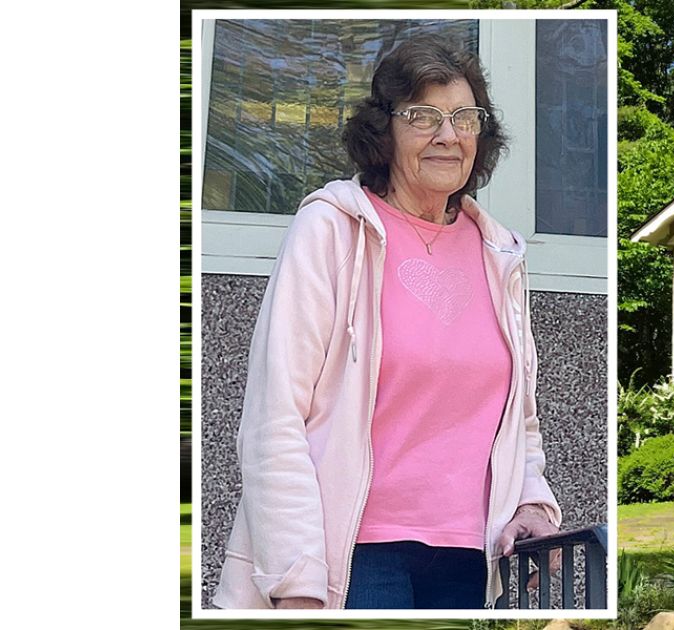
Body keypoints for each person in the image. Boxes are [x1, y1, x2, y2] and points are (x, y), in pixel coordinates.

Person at [212, 36, 562, 610]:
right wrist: (298, 577)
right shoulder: (332, 229)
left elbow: (518, 423)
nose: (447, 135)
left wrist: (531, 503)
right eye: (423, 117)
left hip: (469, 558)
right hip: (352, 555)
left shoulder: (499, 253)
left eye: (464, 118)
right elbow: (276, 417)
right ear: (384, 130)